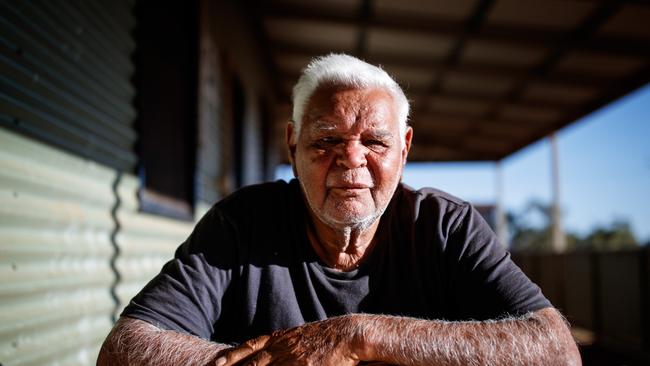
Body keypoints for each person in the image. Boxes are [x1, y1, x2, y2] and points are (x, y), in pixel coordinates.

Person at [98, 54, 581, 365]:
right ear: (292, 142)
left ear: (405, 148)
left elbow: (557, 350)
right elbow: (125, 348)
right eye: (327, 139)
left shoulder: (445, 226)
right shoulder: (242, 222)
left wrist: (359, 335)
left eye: (375, 141)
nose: (352, 160)